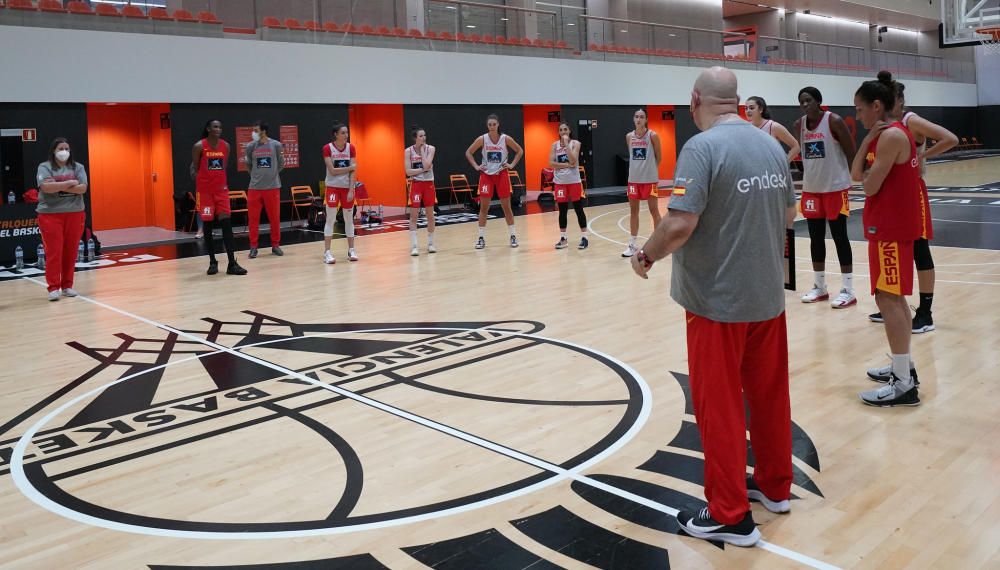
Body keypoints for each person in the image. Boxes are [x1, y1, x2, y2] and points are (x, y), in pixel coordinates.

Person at [630, 67, 797, 547]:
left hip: (716, 303)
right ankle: (776, 487)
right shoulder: (769, 143)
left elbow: (680, 224)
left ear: (695, 99)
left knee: (719, 404)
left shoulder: (701, 148)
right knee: (768, 394)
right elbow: (788, 213)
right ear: (738, 100)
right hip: (766, 297)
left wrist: (645, 254)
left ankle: (729, 514)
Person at [850, 73, 923, 408]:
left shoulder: (893, 135)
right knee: (892, 299)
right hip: (888, 228)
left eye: (860, 109)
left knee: (889, 300)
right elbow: (855, 175)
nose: (858, 116)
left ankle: (903, 383)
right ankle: (903, 365)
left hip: (891, 229)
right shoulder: (885, 135)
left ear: (876, 106)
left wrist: (869, 172)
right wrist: (866, 142)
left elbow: (868, 186)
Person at [867, 75, 958, 334]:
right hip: (892, 194)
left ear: (898, 101)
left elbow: (950, 138)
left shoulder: (910, 120)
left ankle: (926, 313)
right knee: (896, 250)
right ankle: (895, 305)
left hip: (912, 193)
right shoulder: (883, 124)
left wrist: (922, 154)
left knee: (919, 249)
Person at [794, 87, 857, 308]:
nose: (804, 105)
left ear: (818, 101)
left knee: (840, 238)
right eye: (801, 101)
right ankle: (819, 287)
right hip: (812, 190)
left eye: (808, 100)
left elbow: (851, 152)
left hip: (835, 188)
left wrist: (858, 177)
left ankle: (848, 290)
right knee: (815, 239)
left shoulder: (834, 121)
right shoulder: (798, 125)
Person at [36, 137, 88, 301]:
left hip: (75, 213)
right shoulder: (45, 167)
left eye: (66, 148)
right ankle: (53, 287)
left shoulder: (78, 167)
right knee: (54, 252)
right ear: (54, 151)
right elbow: (46, 187)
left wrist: (58, 186)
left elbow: (82, 188)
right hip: (50, 214)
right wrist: (70, 183)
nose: (64, 151)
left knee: (71, 251)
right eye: (60, 148)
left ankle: (67, 286)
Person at [192, 120, 246, 276]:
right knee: (208, 226)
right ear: (208, 128)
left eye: (220, 127)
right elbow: (196, 168)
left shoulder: (226, 146)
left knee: (226, 224)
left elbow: (224, 166)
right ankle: (212, 262)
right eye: (215, 126)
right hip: (206, 193)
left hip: (221, 191)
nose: (218, 129)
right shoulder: (199, 146)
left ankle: (232, 263)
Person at [465, 114, 524, 249]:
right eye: (490, 124)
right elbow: (468, 152)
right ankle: (481, 238)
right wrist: (476, 166)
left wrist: (512, 164)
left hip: (502, 174)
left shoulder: (505, 139)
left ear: (498, 125)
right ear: (487, 126)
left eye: (494, 124)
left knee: (506, 207)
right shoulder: (483, 139)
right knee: (484, 208)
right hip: (486, 176)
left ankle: (513, 235)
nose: (492, 127)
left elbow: (519, 151)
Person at [622, 108, 662, 258]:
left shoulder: (653, 136)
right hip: (633, 180)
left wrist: (650, 170)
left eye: (642, 117)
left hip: (649, 180)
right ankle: (632, 245)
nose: (638, 119)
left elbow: (659, 157)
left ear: (646, 120)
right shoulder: (629, 137)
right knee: (634, 212)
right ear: (634, 119)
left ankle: (659, 243)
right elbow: (633, 157)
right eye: (636, 116)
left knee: (654, 211)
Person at [244, 120, 285, 259]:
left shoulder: (276, 145)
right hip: (254, 188)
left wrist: (272, 175)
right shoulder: (250, 146)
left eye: (256, 130)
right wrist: (255, 176)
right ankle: (253, 247)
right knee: (253, 220)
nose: (253, 133)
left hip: (272, 187)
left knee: (275, 219)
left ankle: (275, 245)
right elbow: (248, 164)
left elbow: (281, 164)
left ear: (263, 131)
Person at [322, 122, 358, 264]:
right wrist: (349, 167)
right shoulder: (327, 148)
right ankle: (327, 252)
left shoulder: (351, 148)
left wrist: (351, 189)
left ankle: (351, 250)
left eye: (347, 133)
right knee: (330, 219)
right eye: (343, 133)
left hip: (346, 189)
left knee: (349, 220)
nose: (346, 135)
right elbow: (332, 170)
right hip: (332, 187)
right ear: (336, 135)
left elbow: (353, 172)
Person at [550, 122, 589, 250]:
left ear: (569, 130)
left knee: (579, 209)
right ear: (558, 132)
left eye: (565, 129)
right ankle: (563, 238)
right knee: (562, 211)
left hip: (574, 182)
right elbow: (551, 163)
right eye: (561, 130)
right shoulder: (554, 145)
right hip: (560, 183)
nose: (563, 132)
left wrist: (566, 144)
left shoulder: (575, 143)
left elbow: (573, 159)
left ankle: (584, 237)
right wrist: (567, 165)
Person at [405, 125, 437, 256]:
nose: (423, 138)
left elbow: (428, 164)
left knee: (430, 215)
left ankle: (430, 244)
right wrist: (422, 170)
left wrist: (423, 152)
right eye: (420, 136)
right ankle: (414, 246)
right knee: (414, 216)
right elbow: (407, 172)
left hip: (428, 184)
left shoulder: (431, 149)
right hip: (416, 185)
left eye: (424, 135)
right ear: (415, 138)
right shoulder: (408, 151)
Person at [745, 96, 800, 163]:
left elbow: (796, 146)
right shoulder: (745, 128)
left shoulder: (773, 126)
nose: (748, 111)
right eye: (746, 108)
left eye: (751, 108)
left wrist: (784, 164)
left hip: (772, 171)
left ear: (760, 109)